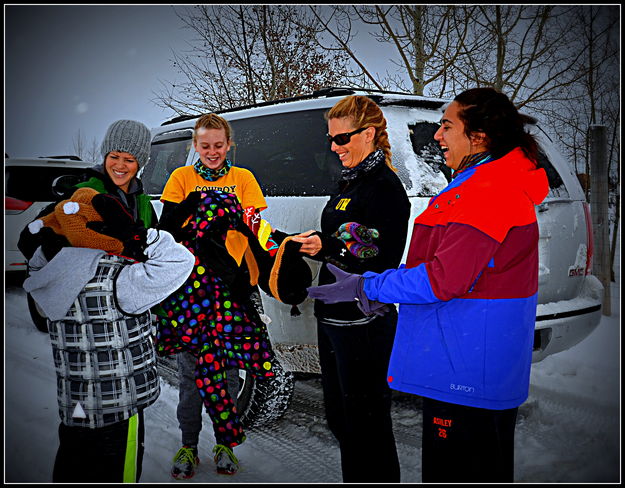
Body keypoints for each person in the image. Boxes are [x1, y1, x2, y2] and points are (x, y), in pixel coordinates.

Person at [307, 87, 550, 483]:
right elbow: (444, 266)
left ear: (480, 135)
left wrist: (366, 286)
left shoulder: (489, 191)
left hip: (467, 366)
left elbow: (441, 278)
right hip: (462, 356)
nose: (437, 136)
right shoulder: (478, 183)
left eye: (446, 126)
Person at [21, 187, 195, 483]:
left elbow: (35, 262)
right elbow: (180, 261)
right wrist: (141, 236)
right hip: (118, 411)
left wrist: (48, 239)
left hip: (74, 406)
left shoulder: (48, 276)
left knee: (73, 467)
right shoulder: (120, 278)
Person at [291, 95, 410, 483]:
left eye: (342, 139)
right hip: (334, 317)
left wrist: (330, 246)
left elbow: (380, 251)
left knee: (367, 426)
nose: (334, 147)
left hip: (363, 322)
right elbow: (342, 235)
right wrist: (309, 241)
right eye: (332, 139)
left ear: (369, 134)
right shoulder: (350, 180)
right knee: (342, 420)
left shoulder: (384, 187)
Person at [157, 113, 279, 478]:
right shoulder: (182, 178)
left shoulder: (243, 179)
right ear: (195, 146)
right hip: (190, 292)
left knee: (227, 371)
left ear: (229, 146)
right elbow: (167, 232)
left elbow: (259, 231)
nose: (212, 152)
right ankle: (188, 446)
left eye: (218, 145)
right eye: (205, 145)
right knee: (192, 374)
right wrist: (193, 209)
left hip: (231, 286)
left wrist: (281, 250)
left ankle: (225, 444)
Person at [18, 119, 157, 261]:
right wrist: (61, 248)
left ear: (140, 163)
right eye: (114, 157)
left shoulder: (143, 203)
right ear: (105, 156)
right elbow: (27, 241)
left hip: (132, 280)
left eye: (129, 160)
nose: (120, 165)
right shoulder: (83, 193)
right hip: (86, 281)